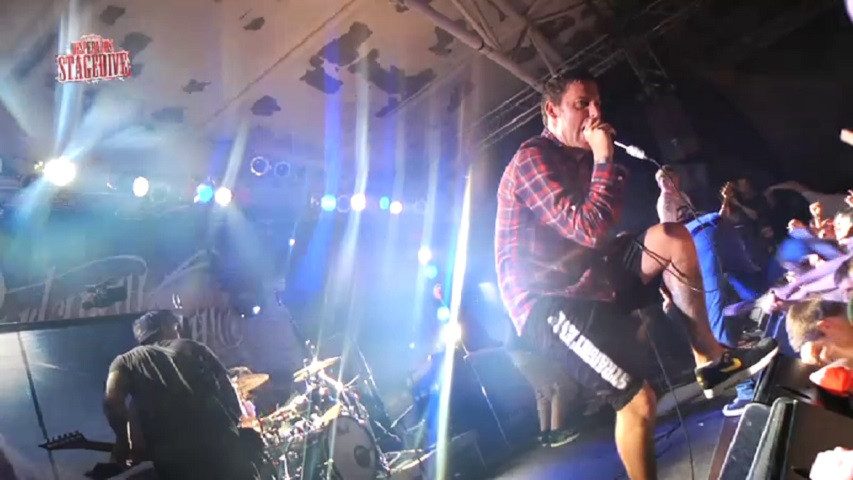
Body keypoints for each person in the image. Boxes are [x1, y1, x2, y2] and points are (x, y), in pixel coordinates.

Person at [495, 70, 778, 480]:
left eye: (598, 104)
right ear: (552, 111)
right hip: (547, 301)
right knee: (638, 401)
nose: (595, 114)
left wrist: (656, 268)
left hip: (590, 278)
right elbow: (589, 228)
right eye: (581, 105)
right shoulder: (532, 159)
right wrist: (604, 159)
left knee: (672, 238)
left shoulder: (580, 160)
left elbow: (599, 231)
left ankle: (711, 360)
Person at [103, 310, 260, 480]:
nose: (178, 333)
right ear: (165, 327)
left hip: (174, 459)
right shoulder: (193, 347)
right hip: (220, 442)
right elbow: (226, 386)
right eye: (176, 327)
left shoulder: (124, 362)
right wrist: (232, 422)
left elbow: (113, 404)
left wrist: (123, 442)